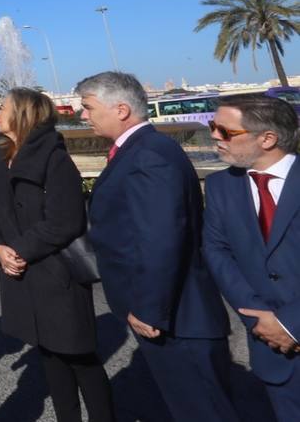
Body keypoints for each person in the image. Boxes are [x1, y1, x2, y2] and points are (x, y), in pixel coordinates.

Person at [79, 71, 239, 422]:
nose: (82, 115)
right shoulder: (141, 149)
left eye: (88, 107)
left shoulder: (150, 154)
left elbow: (161, 238)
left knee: (202, 410)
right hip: (168, 314)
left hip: (176, 319)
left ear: (121, 109)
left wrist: (150, 309)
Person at [0, 89, 113, 422]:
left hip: (56, 271)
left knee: (80, 357)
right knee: (50, 355)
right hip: (22, 274)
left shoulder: (53, 156)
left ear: (23, 113)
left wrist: (20, 249)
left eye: (4, 106)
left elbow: (67, 220)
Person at [202, 93, 300, 420]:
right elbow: (217, 252)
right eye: (214, 127)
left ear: (268, 138)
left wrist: (290, 323)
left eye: (225, 131)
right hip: (269, 348)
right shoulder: (220, 186)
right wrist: (261, 319)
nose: (214, 136)